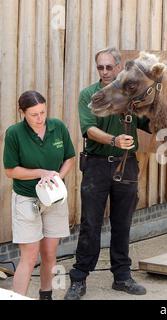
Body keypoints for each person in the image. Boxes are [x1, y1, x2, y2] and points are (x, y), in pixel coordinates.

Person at [64, 47, 150, 300]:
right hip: (97, 165)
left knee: (122, 222)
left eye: (108, 67)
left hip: (127, 165)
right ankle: (79, 278)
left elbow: (149, 123)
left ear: (118, 66)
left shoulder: (131, 95)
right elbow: (89, 130)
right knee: (90, 223)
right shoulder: (89, 95)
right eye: (100, 67)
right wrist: (114, 140)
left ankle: (122, 276)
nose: (104, 71)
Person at [3, 91, 76, 300]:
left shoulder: (58, 127)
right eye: (34, 114)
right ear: (22, 113)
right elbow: (10, 170)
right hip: (27, 200)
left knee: (50, 254)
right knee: (29, 256)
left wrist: (57, 178)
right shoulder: (14, 133)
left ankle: (46, 295)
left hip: (54, 199)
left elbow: (69, 158)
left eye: (43, 112)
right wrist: (40, 173)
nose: (40, 118)